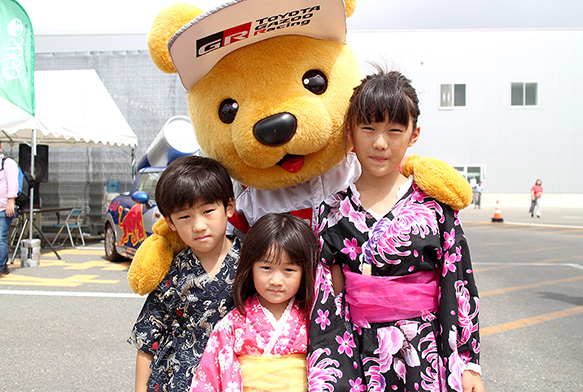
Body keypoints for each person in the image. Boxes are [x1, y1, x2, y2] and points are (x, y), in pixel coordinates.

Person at [307, 69, 485, 392]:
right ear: (350, 133)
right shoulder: (330, 212)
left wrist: (467, 361)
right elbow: (327, 302)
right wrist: (330, 376)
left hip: (426, 355)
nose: (380, 143)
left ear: (414, 134)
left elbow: (458, 284)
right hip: (357, 356)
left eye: (394, 130)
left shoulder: (435, 209)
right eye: (368, 128)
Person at [128, 155, 242, 392]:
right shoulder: (172, 271)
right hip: (176, 380)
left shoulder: (250, 263)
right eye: (185, 217)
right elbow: (148, 339)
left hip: (233, 379)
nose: (199, 225)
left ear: (229, 207)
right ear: (170, 222)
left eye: (208, 210)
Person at [190, 213, 318, 392]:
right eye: (266, 268)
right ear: (250, 267)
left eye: (288, 269)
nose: (276, 280)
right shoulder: (233, 323)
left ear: (304, 272)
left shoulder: (314, 319)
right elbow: (209, 378)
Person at [0, 141, 19, 277]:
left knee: (0, 237)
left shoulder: (7, 163)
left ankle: (1, 266)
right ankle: (3, 265)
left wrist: (10, 201)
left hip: (3, 206)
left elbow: (13, 183)